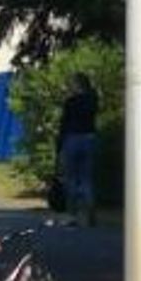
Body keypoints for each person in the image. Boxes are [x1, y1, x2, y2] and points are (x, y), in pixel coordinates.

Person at [56, 71, 99, 225]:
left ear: (77, 85)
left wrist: (59, 145)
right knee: (86, 177)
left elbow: (64, 124)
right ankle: (90, 210)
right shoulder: (93, 100)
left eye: (72, 83)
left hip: (73, 138)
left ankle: (72, 215)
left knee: (72, 178)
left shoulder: (71, 102)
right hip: (89, 138)